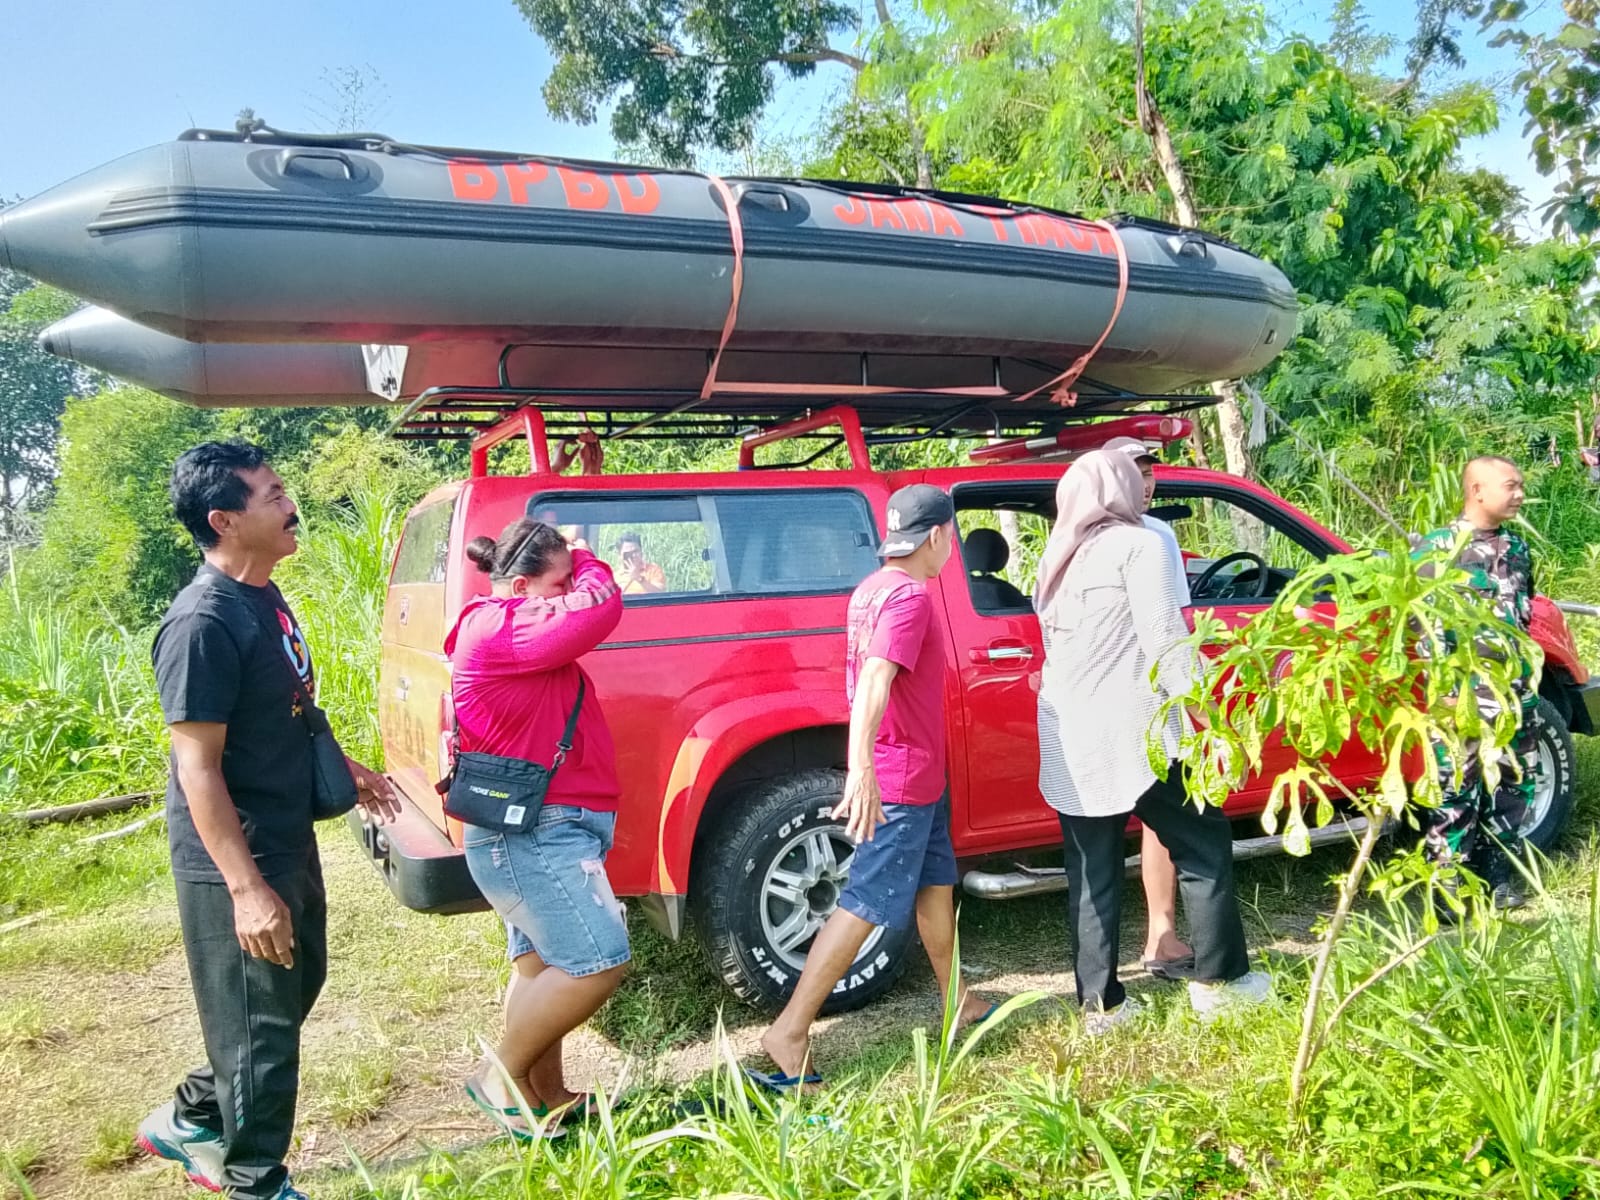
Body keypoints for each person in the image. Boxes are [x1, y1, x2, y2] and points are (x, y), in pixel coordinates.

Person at [137, 441, 400, 1200]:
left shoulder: (265, 596)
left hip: (285, 829)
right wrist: (246, 890)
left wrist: (345, 766)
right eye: (272, 494)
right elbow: (198, 768)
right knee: (263, 1027)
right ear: (224, 521)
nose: (290, 504)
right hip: (237, 853)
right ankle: (256, 1179)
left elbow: (290, 704)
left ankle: (191, 1112)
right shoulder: (201, 623)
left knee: (290, 988)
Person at [754, 484, 994, 1091]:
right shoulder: (912, 596)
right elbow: (876, 683)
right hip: (902, 778)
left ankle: (957, 998)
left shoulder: (871, 589)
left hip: (919, 773)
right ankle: (790, 1029)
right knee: (864, 902)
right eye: (952, 538)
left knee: (936, 885)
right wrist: (861, 768)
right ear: (939, 536)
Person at [1034, 450, 1270, 1034]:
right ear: (1115, 489)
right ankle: (1220, 982)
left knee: (1092, 869)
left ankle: (1101, 1006)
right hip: (1135, 732)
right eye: (1133, 478)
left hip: (1070, 736)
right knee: (1203, 841)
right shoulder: (1139, 545)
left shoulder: (1062, 554)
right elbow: (1168, 640)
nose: (1145, 486)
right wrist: (1209, 721)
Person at [444, 517, 629, 1137]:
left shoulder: (511, 620)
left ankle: (544, 1095)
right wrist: (588, 558)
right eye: (560, 584)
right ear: (522, 586)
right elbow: (599, 608)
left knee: (541, 965)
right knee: (598, 960)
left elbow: (579, 610)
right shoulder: (499, 626)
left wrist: (570, 564)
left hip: (539, 826)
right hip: (530, 832)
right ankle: (496, 1076)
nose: (571, 590)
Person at [1410, 456, 1538, 910]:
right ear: (1477, 491)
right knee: (1455, 788)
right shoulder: (1438, 549)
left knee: (1513, 783)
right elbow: (1420, 623)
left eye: (1521, 485)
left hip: (1514, 693)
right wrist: (1442, 690)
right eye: (1511, 485)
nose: (1519, 494)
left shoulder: (1519, 549)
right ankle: (1447, 889)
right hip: (1461, 695)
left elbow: (1524, 612)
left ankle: (1498, 879)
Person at [1102, 436, 1196, 981]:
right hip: (1107, 695)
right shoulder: (1081, 538)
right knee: (1103, 816)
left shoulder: (1161, 535)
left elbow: (1176, 621)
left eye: (1149, 470)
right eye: (1134, 471)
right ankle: (1099, 965)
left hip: (1156, 693)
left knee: (1162, 812)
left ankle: (1161, 932)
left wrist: (1184, 688)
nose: (1146, 480)